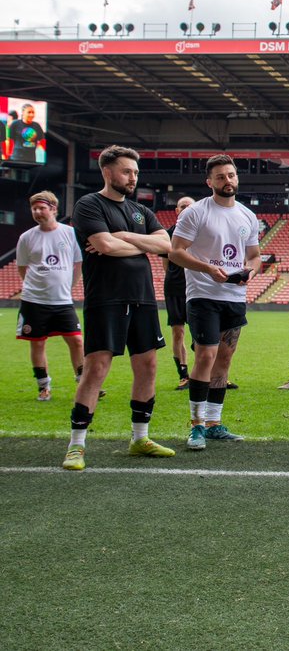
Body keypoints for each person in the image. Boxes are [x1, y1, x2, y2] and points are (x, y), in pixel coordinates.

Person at [63, 145, 174, 471]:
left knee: (148, 367)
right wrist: (140, 245)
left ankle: (140, 438)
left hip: (142, 297)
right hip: (106, 298)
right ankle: (76, 446)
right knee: (96, 368)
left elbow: (166, 244)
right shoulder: (88, 205)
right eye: (127, 171)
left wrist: (125, 235)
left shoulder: (141, 211)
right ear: (107, 172)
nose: (132, 177)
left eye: (135, 172)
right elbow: (103, 245)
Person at [168, 155, 261, 449]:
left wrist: (251, 272)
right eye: (220, 177)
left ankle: (214, 423)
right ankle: (196, 426)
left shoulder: (247, 215)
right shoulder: (195, 213)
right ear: (210, 182)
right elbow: (175, 252)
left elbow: (255, 255)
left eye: (231, 175)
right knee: (205, 356)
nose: (227, 181)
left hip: (234, 296)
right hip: (203, 295)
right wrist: (209, 269)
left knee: (224, 359)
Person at [16, 191, 83, 401]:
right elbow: (22, 268)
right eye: (34, 208)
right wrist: (35, 287)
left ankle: (83, 382)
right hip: (34, 301)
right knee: (37, 343)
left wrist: (70, 286)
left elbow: (78, 264)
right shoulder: (26, 237)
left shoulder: (70, 234)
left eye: (41, 208)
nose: (37, 212)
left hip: (62, 301)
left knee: (77, 342)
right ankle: (44, 386)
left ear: (53, 209)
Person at [162, 196, 196, 391]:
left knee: (201, 332)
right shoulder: (167, 235)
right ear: (176, 210)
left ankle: (211, 375)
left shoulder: (200, 232)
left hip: (197, 287)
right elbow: (166, 264)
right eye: (182, 205)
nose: (185, 208)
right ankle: (184, 375)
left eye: (189, 205)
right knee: (178, 331)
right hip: (174, 288)